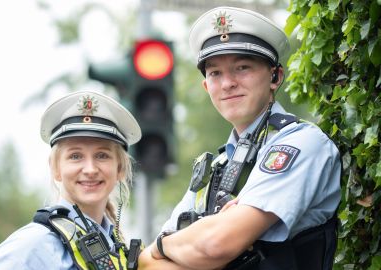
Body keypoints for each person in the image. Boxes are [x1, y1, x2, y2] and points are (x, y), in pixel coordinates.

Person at [138, 6, 341, 270]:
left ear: (275, 76)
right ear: (206, 86)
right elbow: (145, 263)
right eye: (215, 73)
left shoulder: (302, 144)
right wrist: (167, 248)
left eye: (242, 67)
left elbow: (215, 245)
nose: (227, 83)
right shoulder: (216, 167)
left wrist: (163, 246)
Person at [0, 90, 142, 270]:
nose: (90, 169)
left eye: (102, 155)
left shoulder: (118, 249)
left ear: (119, 168)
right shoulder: (34, 245)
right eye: (75, 156)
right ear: (55, 168)